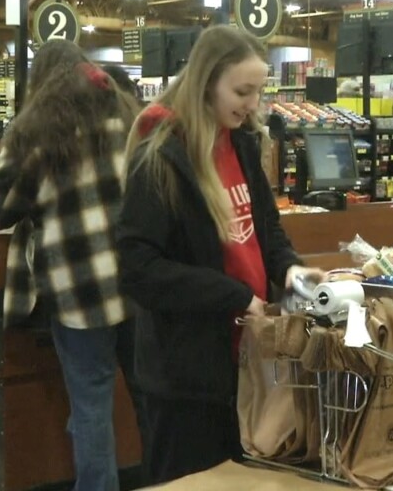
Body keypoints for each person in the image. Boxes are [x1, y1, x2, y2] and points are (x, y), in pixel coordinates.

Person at [115, 25, 325, 485]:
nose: (253, 103)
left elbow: (266, 229)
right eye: (242, 90)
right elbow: (137, 268)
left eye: (258, 91)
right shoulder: (162, 155)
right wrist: (231, 295)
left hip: (246, 364)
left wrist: (290, 270)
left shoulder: (243, 142)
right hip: (186, 376)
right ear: (208, 81)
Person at [0, 39, 142, 491]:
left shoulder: (33, 130)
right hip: (137, 280)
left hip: (77, 289)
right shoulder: (126, 113)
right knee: (146, 401)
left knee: (91, 407)